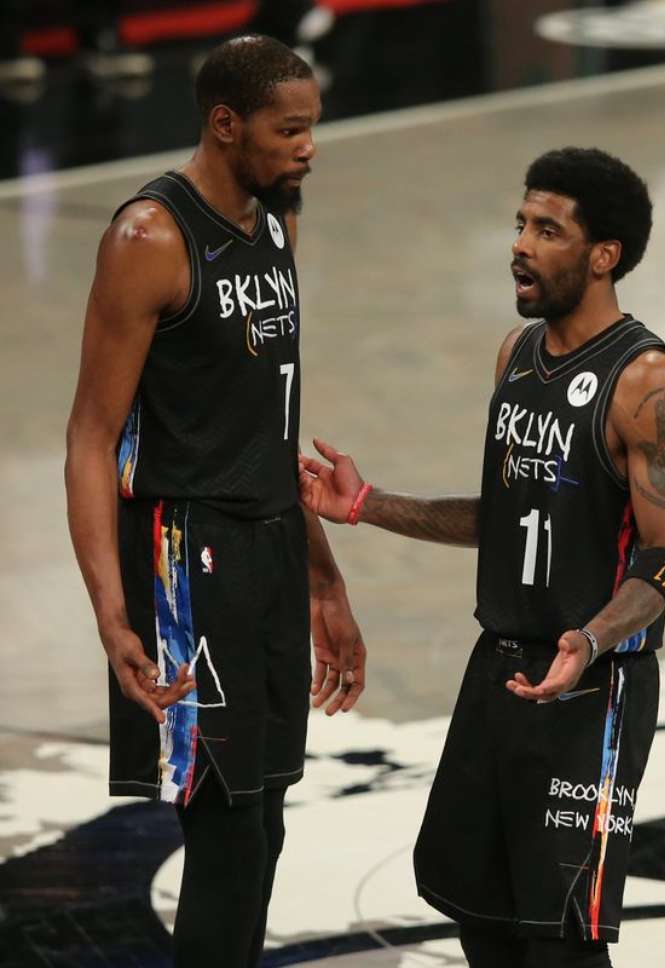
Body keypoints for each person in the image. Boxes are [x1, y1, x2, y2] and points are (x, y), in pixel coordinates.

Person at [298, 146, 665, 967]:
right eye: (520, 223)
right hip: (499, 672)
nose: (519, 243)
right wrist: (368, 506)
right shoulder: (515, 359)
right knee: (476, 911)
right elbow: (505, 513)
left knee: (562, 943)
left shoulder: (650, 384)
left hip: (592, 691)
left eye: (546, 229)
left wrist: (589, 640)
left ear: (603, 255)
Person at [65, 35, 365, 968]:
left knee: (266, 819)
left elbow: (272, 424)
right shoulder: (148, 239)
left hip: (271, 546)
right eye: (290, 130)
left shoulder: (279, 217)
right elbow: (88, 438)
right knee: (230, 835)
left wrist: (324, 582)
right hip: (186, 556)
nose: (308, 146)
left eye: (312, 127)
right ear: (224, 124)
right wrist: (113, 616)